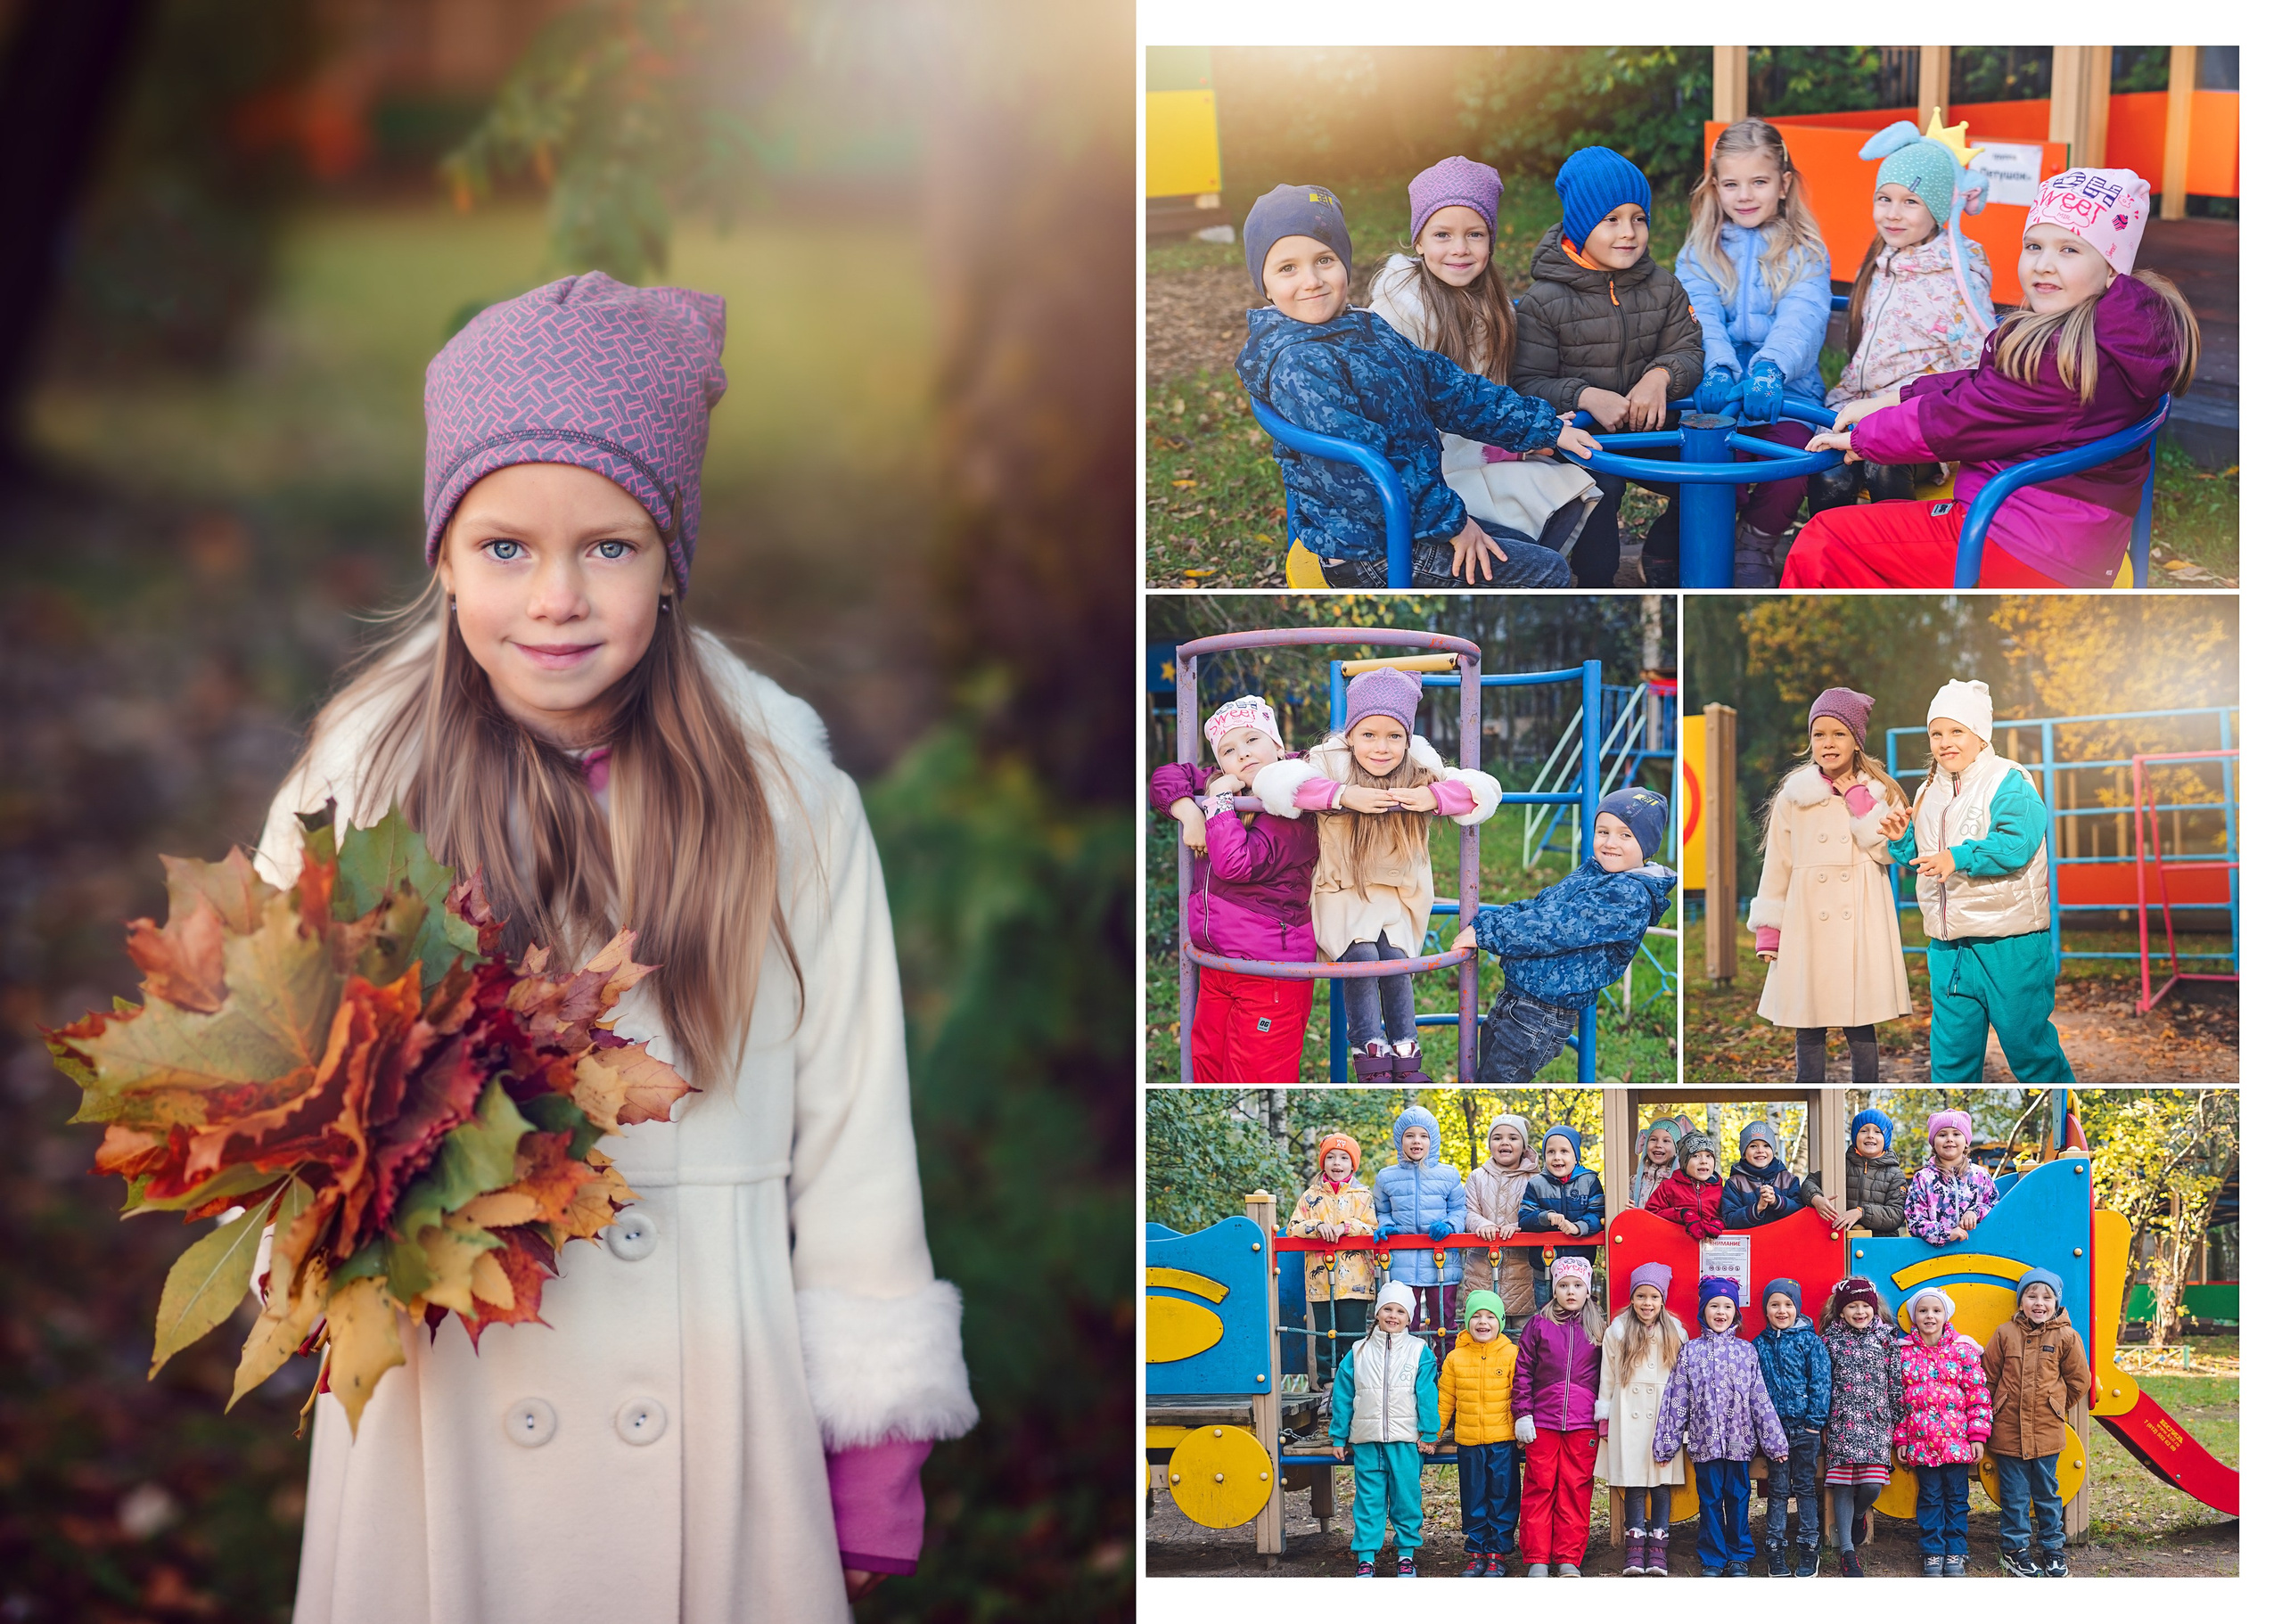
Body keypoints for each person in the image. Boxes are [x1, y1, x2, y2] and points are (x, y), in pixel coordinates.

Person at [250, 273, 979, 1619]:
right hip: (450, 1367)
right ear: (444, 557)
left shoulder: (781, 789)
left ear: (672, 556)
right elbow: (273, 1060)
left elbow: (854, 1119)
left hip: (710, 1369)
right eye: (506, 548)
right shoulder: (366, 769)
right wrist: (319, 1228)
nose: (558, 598)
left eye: (612, 545)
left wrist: (872, 1437)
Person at [1788, 168, 2200, 588]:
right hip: (2071, 533)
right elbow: (1987, 388)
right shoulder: (2117, 335)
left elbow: (1961, 419)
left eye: (2070, 250)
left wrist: (1862, 439)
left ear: (2112, 269)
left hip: (2020, 540)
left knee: (1826, 539)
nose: (2044, 265)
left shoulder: (2064, 360)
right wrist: (1892, 399)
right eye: (2034, 245)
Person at [1235, 183, 1601, 588]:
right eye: (1288, 268)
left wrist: (1544, 427)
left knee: (1531, 547)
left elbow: (1451, 389)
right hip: (1369, 551)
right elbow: (1359, 475)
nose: (1311, 281)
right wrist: (1453, 524)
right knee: (1545, 570)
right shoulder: (1300, 362)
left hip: (1407, 518)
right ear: (1264, 284)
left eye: (1324, 259)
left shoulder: (1366, 329)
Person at [1256, 668, 1500, 1082]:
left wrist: (1431, 796)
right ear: (1350, 734)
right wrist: (1343, 795)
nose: (1382, 747)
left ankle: (1406, 1050)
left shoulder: (1420, 763)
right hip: (1341, 892)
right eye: (1369, 735)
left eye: (1394, 736)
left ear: (1408, 738)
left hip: (1397, 896)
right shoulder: (1329, 760)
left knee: (1395, 959)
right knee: (1364, 956)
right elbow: (1275, 785)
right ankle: (1368, 1050)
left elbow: (1483, 791)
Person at [1369, 156, 1600, 553]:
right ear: (1418, 240)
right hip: (1431, 472)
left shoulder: (1497, 309)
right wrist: (1515, 442)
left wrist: (1529, 431)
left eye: (1474, 234)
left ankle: (1578, 582)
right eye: (1442, 235)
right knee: (1558, 496)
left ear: (1491, 241)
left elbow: (1491, 395)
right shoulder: (1397, 313)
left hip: (1482, 448)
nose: (1460, 249)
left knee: (1587, 484)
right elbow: (1403, 425)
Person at [1511, 145, 1706, 586]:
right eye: (1611, 220)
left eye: (1639, 218)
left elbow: (1690, 350)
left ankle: (1662, 552)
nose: (1629, 233)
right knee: (1601, 499)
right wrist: (1584, 396)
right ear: (1581, 226)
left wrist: (1661, 377)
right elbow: (1527, 381)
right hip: (1584, 439)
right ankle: (1593, 582)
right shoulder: (1545, 301)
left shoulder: (1664, 287)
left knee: (1707, 480)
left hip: (1652, 426)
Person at [1880, 679, 2075, 1082]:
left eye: (1956, 731)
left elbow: (2015, 844)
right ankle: (1945, 1124)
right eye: (1936, 733)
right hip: (1949, 950)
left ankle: (2067, 1132)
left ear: (1980, 735)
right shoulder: (1927, 791)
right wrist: (1902, 840)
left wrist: (1959, 856)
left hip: (2010, 946)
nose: (1944, 742)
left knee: (2031, 1054)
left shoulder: (2009, 780)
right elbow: (1926, 859)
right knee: (1950, 1060)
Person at [1673, 118, 1835, 582]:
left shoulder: (1805, 251)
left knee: (1789, 461)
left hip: (1785, 388)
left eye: (1758, 182)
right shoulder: (1700, 251)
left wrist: (1770, 368)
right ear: (1715, 187)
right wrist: (1717, 366)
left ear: (1783, 185)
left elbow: (1801, 318)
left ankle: (1757, 542)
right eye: (1731, 184)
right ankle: (1696, 536)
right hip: (1715, 390)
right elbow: (1697, 310)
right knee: (1721, 464)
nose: (1744, 196)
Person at [1810, 122, 1994, 513]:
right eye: (1884, 198)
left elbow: (1978, 368)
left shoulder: (1959, 281)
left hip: (1919, 421)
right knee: (1828, 472)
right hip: (1857, 407)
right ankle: (1830, 562)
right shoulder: (1883, 263)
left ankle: (1895, 559)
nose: (1893, 214)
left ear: (1939, 208)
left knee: (1883, 463)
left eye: (1911, 201)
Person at [1453, 787, 1677, 1083]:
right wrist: (1490, 921)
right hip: (1518, 997)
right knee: (1482, 1076)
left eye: (1625, 835)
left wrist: (1486, 931)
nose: (1610, 843)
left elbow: (1556, 926)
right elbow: (1543, 904)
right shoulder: (1594, 872)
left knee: (1496, 1082)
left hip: (1541, 1014)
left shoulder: (1628, 896)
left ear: (1647, 845)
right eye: (1602, 831)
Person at [1150, 695, 1318, 1082]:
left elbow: (1236, 864)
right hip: (1217, 965)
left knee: (1256, 1073)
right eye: (1229, 749)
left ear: (1277, 745)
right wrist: (1189, 810)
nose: (1242, 754)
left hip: (1268, 970)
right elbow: (1165, 777)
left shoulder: (1294, 796)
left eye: (1252, 740)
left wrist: (1218, 802)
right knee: (1208, 1069)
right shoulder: (1224, 780)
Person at [1749, 687, 1912, 1083]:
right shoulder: (1795, 796)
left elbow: (1889, 853)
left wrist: (1858, 800)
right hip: (1808, 920)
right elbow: (1778, 864)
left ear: (1856, 740)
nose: (1828, 743)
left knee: (1860, 1024)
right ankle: (1810, 1092)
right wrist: (1769, 931)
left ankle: (1866, 1091)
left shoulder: (1879, 792)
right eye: (1819, 735)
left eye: (1838, 734)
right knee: (1810, 1022)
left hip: (1861, 915)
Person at [1653, 1276, 1788, 1576]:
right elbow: (1677, 1399)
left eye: (1727, 1306)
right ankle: (1713, 1557)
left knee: (1738, 1498)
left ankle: (1739, 1554)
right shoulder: (1690, 1352)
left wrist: (1775, 1442)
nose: (1721, 1312)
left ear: (1735, 1314)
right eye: (1714, 1305)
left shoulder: (1746, 1351)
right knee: (1711, 1500)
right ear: (1703, 1311)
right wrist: (1667, 1441)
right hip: (1705, 1444)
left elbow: (1759, 1399)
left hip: (1739, 1443)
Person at [1982, 1267, 2091, 1578]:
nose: (2039, 1302)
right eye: (2031, 1295)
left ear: (2057, 1302)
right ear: (2021, 1302)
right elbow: (1988, 1378)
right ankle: (2015, 1550)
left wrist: (2057, 1407)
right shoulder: (2005, 1334)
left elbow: (2079, 1381)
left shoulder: (2066, 1337)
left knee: (2047, 1494)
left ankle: (2053, 1549)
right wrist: (1993, 1409)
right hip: (2008, 1432)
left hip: (2046, 1432)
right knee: (2014, 1497)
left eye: (2047, 1296)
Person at [1330, 1281, 1442, 1579]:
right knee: (1368, 1500)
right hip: (1367, 1440)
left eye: (1400, 1311)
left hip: (1405, 1440)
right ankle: (1366, 1557)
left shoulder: (1420, 1352)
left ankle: (1406, 1554)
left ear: (1409, 1318)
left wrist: (1429, 1431)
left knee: (1406, 1499)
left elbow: (1427, 1394)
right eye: (1387, 1309)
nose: (1393, 1315)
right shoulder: (1358, 1352)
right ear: (1377, 1313)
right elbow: (1342, 1396)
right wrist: (1339, 1435)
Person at [1510, 1257, 1605, 1577]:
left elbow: (1608, 1374)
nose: (1570, 1291)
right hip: (1544, 1421)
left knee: (1575, 1489)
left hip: (1582, 1423)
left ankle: (1568, 1557)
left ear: (1587, 1290)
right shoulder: (1539, 1324)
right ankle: (1537, 1557)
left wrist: (1602, 1412)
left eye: (1577, 1286)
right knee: (1540, 1487)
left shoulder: (1598, 1328)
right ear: (1554, 1290)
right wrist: (1523, 1414)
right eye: (1563, 1285)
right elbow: (1522, 1371)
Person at [1891, 1285, 1993, 1577]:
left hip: (1957, 1444)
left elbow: (1977, 1396)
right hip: (1922, 1446)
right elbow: (1898, 1401)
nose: (1929, 1316)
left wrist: (1977, 1436)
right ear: (1914, 1317)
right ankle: (1933, 1551)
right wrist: (1901, 1438)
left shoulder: (1963, 1350)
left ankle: (1957, 1549)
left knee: (1957, 1498)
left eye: (1936, 1311)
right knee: (1931, 1498)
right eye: (1923, 1311)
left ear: (1945, 1314)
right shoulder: (1905, 1354)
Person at [1597, 1260, 1687, 1576]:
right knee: (1634, 1482)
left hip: (1663, 1417)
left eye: (1653, 1297)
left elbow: (1682, 1379)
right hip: (1628, 1416)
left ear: (1662, 1299)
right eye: (1641, 1297)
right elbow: (1607, 1375)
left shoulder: (1675, 1331)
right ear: (1632, 1298)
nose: (1647, 1304)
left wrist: (1682, 1422)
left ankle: (1659, 1547)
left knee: (1661, 1482)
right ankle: (1635, 1546)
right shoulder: (1618, 1330)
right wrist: (1604, 1414)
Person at [1373, 1106, 1469, 1363]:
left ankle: (1444, 1369)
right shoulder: (1387, 1177)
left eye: (1423, 1136)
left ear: (1433, 1140)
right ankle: (1408, 1369)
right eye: (1410, 1136)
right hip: (1402, 1263)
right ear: (1399, 1140)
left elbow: (1460, 1209)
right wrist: (1386, 1225)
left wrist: (1449, 1225)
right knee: (1406, 1321)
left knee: (1444, 1320)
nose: (1417, 1142)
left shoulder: (1448, 1175)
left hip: (1441, 1261)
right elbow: (1381, 1210)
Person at [1819, 1275, 1900, 1576]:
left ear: (1874, 1308)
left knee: (1871, 1485)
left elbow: (1895, 1381)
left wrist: (1895, 1419)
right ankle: (1847, 1554)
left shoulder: (1887, 1338)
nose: (1859, 1312)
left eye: (1864, 1306)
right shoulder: (1829, 1341)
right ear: (1841, 1311)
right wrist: (1825, 1421)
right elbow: (1824, 1384)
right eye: (1851, 1306)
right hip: (1841, 1421)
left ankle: (1860, 1513)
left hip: (1876, 1423)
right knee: (1842, 1485)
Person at [1439, 1290, 1523, 1577]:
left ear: (1500, 1320)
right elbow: (1445, 1399)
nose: (1482, 1322)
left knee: (1503, 1496)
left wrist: (1522, 1428)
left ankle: (1498, 1552)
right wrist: (1433, 1434)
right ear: (1466, 1322)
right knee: (1473, 1497)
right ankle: (1476, 1551)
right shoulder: (1455, 1358)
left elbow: (1521, 1394)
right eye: (1476, 1316)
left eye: (1489, 1316)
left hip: (1503, 1441)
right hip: (1469, 1441)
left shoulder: (1511, 1353)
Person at [1753, 1278, 1833, 1575]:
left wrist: (1814, 1424)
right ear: (1766, 1309)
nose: (1781, 1310)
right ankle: (1774, 1549)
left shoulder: (1810, 1342)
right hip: (1774, 1431)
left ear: (1797, 1308)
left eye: (1788, 1304)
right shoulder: (1759, 1345)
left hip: (1805, 1429)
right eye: (1775, 1305)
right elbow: (1755, 1389)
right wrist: (1765, 1427)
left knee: (1804, 1487)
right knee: (1777, 1489)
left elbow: (1821, 1383)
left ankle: (1809, 1546)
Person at [1289, 1133, 1380, 1387]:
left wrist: (1346, 1227)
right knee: (1325, 1334)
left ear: (1353, 1164)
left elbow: (1373, 1227)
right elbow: (1293, 1227)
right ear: (1323, 1162)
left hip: (1356, 1281)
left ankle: (1354, 1383)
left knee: (1353, 1333)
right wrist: (1317, 1226)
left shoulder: (1363, 1196)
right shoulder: (1310, 1196)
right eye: (1330, 1157)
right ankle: (1327, 1383)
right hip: (1321, 1281)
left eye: (1343, 1158)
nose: (1337, 1163)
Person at [1462, 1113, 1541, 1331]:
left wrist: (1520, 1227)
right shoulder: (1477, 1177)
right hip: (1482, 1271)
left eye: (1513, 1138)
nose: (1504, 1142)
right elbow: (1468, 1211)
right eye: (1497, 1138)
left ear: (1524, 1146)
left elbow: (1540, 1213)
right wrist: (1481, 1224)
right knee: (1485, 1332)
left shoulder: (1535, 1179)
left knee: (1521, 1333)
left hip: (1522, 1272)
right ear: (1490, 1145)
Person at [1514, 1126, 1605, 1309]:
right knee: (1546, 1313)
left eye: (1564, 1151)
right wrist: (1545, 1217)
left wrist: (1579, 1227)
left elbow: (1598, 1213)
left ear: (1575, 1155)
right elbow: (1524, 1218)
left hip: (1578, 1264)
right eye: (1551, 1152)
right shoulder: (1537, 1184)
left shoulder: (1589, 1181)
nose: (1557, 1157)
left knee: (1578, 1313)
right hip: (1544, 1266)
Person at [1806, 1108, 1909, 1236]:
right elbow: (1810, 1182)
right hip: (1840, 1239)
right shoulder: (1842, 1165)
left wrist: (1862, 1212)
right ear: (1855, 1136)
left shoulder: (1895, 1174)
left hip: (1879, 1243)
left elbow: (1896, 1214)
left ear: (1886, 1139)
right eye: (1864, 1131)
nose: (1870, 1135)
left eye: (1877, 1132)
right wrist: (1815, 1198)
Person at [1905, 1109, 2001, 1245]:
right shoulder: (1923, 1178)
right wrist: (1946, 1233)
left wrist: (1975, 1211)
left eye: (1956, 1134)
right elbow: (1915, 1220)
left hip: (1979, 1251)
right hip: (1934, 1257)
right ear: (1933, 1143)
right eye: (1942, 1135)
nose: (1949, 1139)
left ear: (1967, 1141)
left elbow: (1996, 1206)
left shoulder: (1981, 1175)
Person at [1720, 1119, 1810, 1231]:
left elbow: (1800, 1211)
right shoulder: (1735, 1183)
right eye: (1753, 1146)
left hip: (1784, 1242)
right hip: (1751, 1245)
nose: (1760, 1150)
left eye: (1766, 1145)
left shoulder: (1788, 1180)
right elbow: (1729, 1219)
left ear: (1773, 1150)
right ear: (1744, 1153)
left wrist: (1777, 1201)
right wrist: (1757, 1208)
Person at [1643, 1129, 1724, 1237]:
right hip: (1676, 1245)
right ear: (1684, 1162)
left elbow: (1731, 1215)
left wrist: (1719, 1223)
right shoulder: (1669, 1186)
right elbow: (1651, 1214)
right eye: (1695, 1156)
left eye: (1709, 1156)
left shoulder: (1721, 1190)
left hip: (1711, 1250)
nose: (1704, 1161)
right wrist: (1682, 1214)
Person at [1629, 1116, 1686, 1207]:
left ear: (1677, 1149)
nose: (1658, 1145)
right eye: (1653, 1140)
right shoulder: (1634, 1182)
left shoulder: (1681, 1183)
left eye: (1666, 1141)